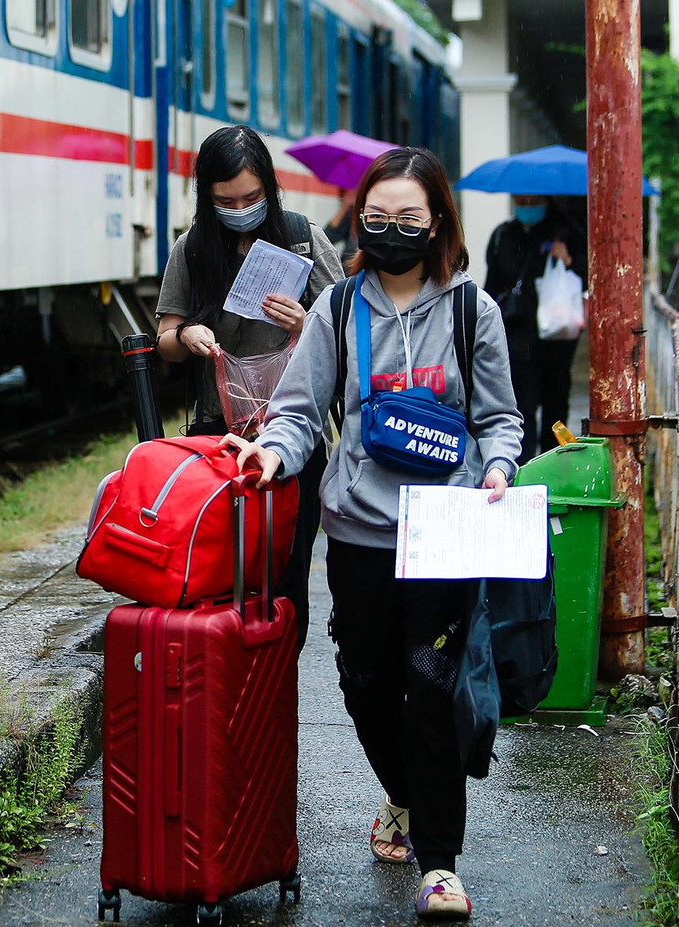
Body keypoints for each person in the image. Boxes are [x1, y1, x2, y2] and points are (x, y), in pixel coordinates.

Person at [219, 147, 523, 920]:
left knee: (428, 686)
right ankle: (404, 793)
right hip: (357, 533)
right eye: (378, 219)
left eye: (409, 219)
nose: (392, 232)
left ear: (439, 223)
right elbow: (296, 408)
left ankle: (440, 863)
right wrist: (272, 453)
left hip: (443, 530)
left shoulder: (471, 311)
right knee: (362, 683)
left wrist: (496, 468)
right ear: (360, 220)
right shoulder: (338, 308)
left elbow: (498, 417)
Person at [155, 125, 343, 649]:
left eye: (253, 198)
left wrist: (307, 323)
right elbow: (164, 338)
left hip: (295, 437)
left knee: (286, 578)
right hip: (219, 442)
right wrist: (186, 333)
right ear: (206, 197)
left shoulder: (303, 236)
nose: (241, 208)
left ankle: (277, 694)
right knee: (223, 576)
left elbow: (349, 329)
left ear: (271, 188)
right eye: (226, 201)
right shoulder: (192, 248)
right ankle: (229, 691)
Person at [483, 195, 588, 462]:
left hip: (557, 340)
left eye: (533, 200)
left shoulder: (566, 232)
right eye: (521, 200)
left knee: (556, 407)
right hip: (517, 335)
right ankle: (523, 467)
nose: (527, 206)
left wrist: (567, 259)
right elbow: (492, 285)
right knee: (521, 408)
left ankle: (554, 464)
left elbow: (588, 276)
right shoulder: (503, 235)